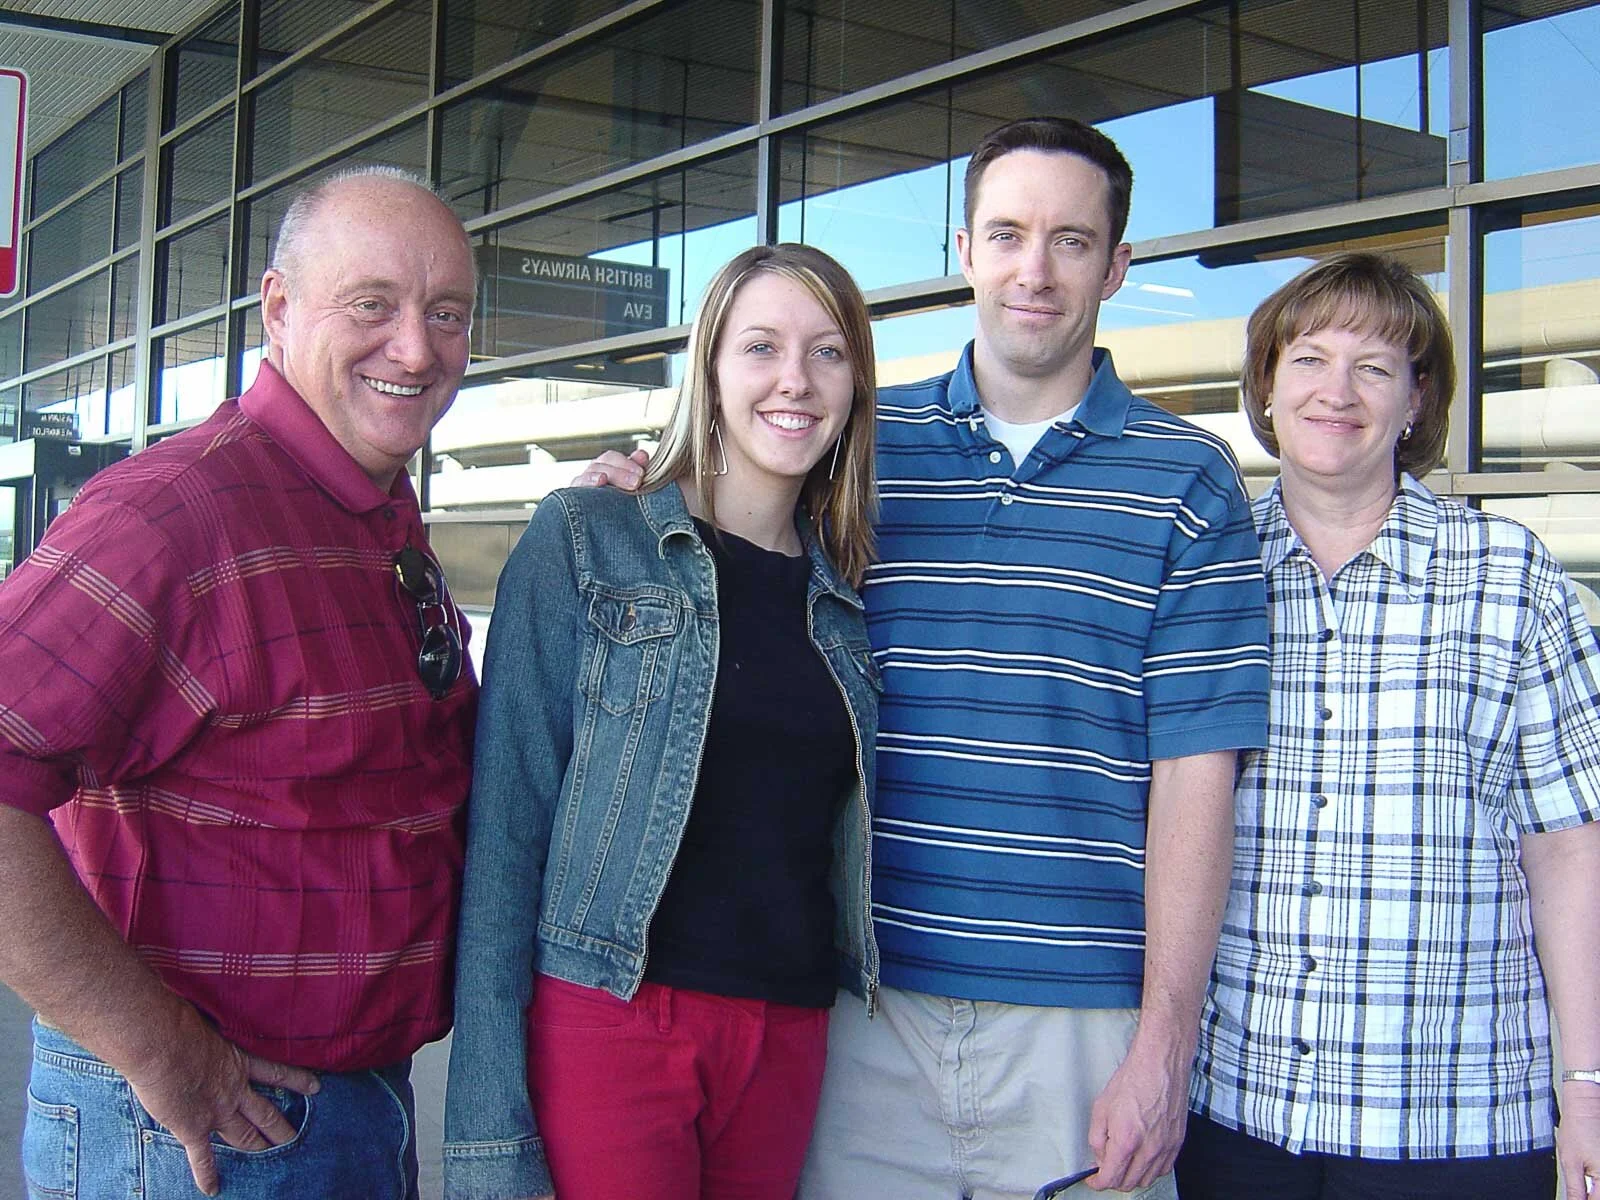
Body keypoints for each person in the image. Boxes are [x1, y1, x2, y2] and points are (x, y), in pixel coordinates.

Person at [577, 117, 1272, 1200]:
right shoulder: (854, 451)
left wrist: (1164, 1046)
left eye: (1072, 241)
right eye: (1007, 234)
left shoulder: (1188, 479)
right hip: (863, 1008)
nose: (1034, 270)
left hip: (1081, 1027)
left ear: (1117, 265)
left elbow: (1197, 776)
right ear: (964, 251)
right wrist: (632, 492)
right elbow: (720, 540)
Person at [0, 167, 478, 1199]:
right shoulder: (169, 518)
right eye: (373, 305)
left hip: (351, 1109)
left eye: (446, 313)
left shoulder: (370, 511)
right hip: (200, 1133)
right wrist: (155, 1044)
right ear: (278, 307)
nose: (415, 348)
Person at [441, 243, 882, 1200]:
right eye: (761, 347)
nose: (795, 380)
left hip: (787, 1028)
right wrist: (486, 1130)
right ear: (710, 369)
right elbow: (505, 835)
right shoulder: (588, 537)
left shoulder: (848, 597)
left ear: (856, 384)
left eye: (828, 351)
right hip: (615, 1014)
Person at [1179, 251, 1600, 1200]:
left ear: (1417, 400)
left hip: (1456, 1117)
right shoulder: (1207, 571)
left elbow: (1569, 848)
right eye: (1309, 359)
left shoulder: (1509, 576)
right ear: (1267, 387)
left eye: (1374, 367)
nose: (1337, 391)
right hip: (1238, 1106)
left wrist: (1587, 1086)